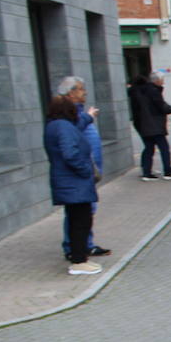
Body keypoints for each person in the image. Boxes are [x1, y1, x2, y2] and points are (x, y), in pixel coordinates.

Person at [45, 95, 101, 276]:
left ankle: (79, 258)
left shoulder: (55, 125)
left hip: (68, 182)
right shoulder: (63, 127)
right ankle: (79, 261)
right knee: (81, 221)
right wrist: (86, 170)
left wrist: (89, 116)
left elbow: (75, 128)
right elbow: (70, 154)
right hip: (74, 181)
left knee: (76, 219)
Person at [55, 76, 108, 261]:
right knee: (78, 214)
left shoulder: (73, 113)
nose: (84, 92)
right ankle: (76, 251)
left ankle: (83, 246)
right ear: (71, 92)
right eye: (81, 89)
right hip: (77, 176)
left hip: (82, 174)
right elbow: (70, 147)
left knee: (84, 213)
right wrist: (88, 117)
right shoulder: (67, 117)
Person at [128, 72, 171, 180]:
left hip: (143, 124)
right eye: (162, 79)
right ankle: (168, 172)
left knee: (149, 148)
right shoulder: (153, 91)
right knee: (164, 148)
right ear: (157, 81)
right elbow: (162, 106)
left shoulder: (140, 91)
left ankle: (146, 172)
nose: (163, 81)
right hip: (154, 124)